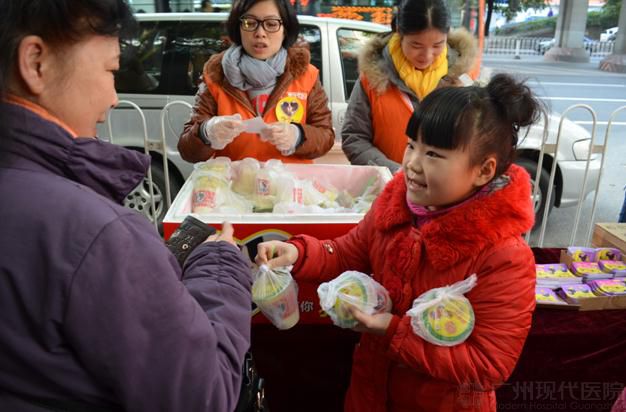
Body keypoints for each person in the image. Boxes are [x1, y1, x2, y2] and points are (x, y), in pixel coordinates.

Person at [0, 1, 251, 411]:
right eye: (111, 70)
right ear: (36, 62)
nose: (115, 97)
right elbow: (203, 394)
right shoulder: (96, 234)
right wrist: (221, 262)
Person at [256, 74, 542, 411]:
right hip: (370, 393)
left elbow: (488, 366)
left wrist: (392, 331)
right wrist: (299, 252)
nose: (412, 164)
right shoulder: (395, 204)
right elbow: (349, 252)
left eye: (433, 154)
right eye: (411, 145)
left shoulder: (503, 257)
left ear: (483, 170)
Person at [178, 0, 335, 164]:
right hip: (234, 185)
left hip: (291, 185)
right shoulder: (216, 75)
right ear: (238, 29)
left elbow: (326, 136)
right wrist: (206, 132)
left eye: (271, 24)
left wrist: (298, 135)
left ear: (285, 30)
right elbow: (188, 151)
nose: (260, 32)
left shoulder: (305, 74)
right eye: (249, 23)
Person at [342, 0, 478, 173]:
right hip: (388, 188)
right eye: (416, 45)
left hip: (445, 192)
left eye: (437, 45)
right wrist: (395, 173)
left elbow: (475, 140)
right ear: (399, 33)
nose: (427, 55)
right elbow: (354, 137)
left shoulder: (463, 78)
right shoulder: (373, 77)